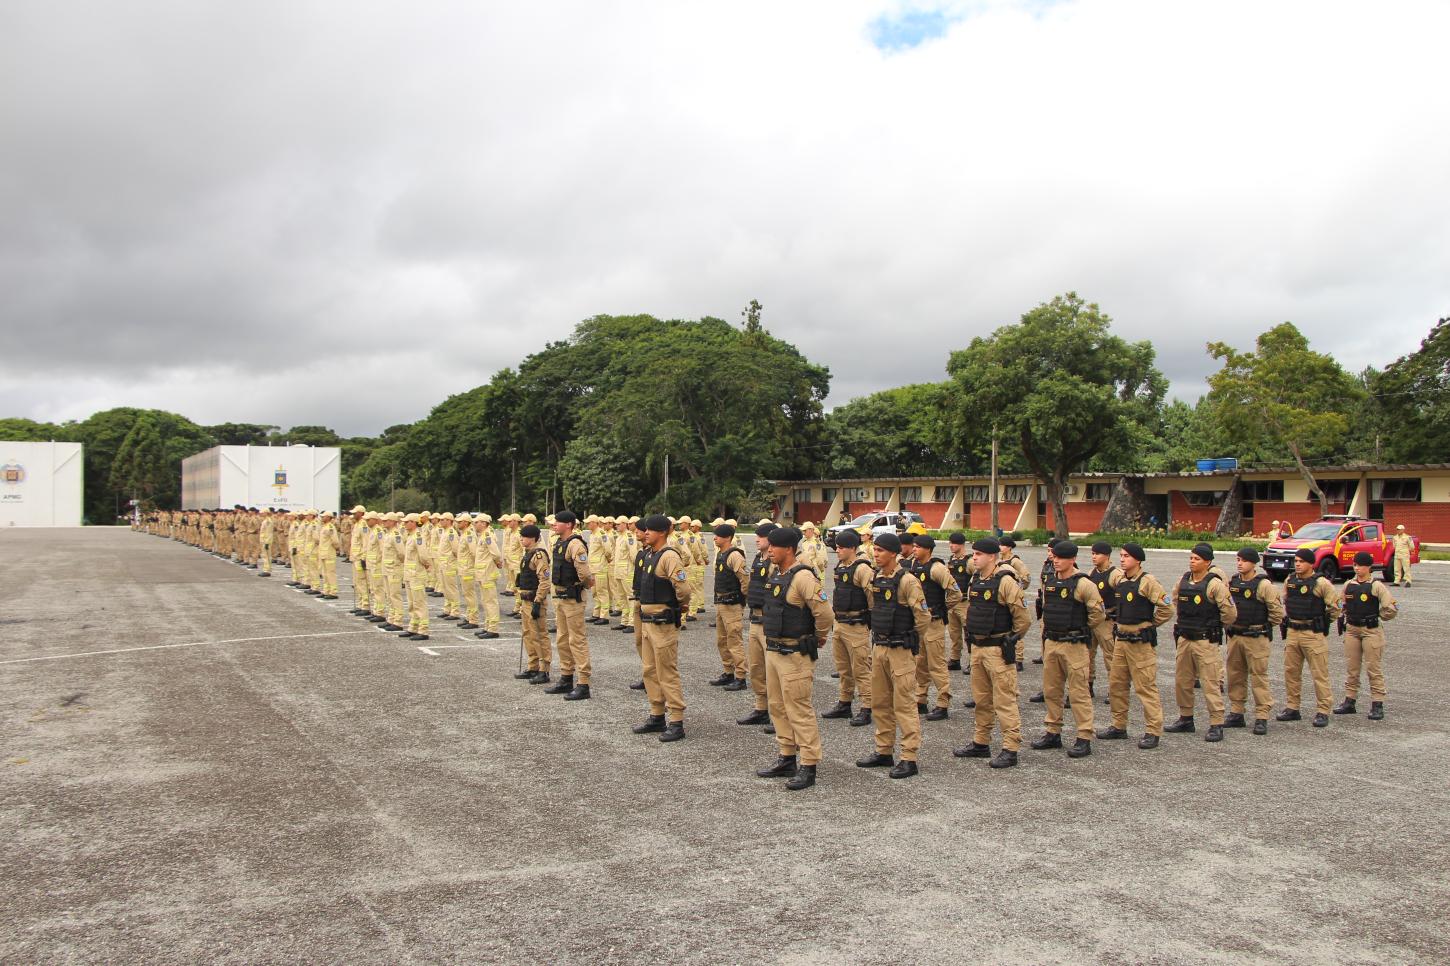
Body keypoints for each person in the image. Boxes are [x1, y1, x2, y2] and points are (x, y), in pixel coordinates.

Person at [755, 527, 834, 791]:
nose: (769, 551)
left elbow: (824, 614)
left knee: (799, 710)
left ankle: (809, 764)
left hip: (795, 655)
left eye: (773, 548)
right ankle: (787, 756)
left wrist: (818, 637)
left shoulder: (803, 577)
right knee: (777, 706)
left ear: (788, 549)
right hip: (775, 651)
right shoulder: (777, 573)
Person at [952, 537, 1032, 768]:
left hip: (997, 650)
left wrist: (1010, 640)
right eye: (974, 553)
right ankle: (981, 742)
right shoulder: (976, 579)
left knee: (1005, 701)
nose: (974, 557)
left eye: (978, 554)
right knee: (982, 700)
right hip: (977, 649)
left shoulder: (1005, 581)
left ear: (992, 557)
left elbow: (1023, 619)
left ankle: (1010, 747)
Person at [856, 531, 928, 778]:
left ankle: (909, 757)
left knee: (904, 704)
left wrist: (909, 639)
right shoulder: (876, 577)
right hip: (880, 647)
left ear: (894, 553)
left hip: (900, 650)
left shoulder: (907, 581)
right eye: (874, 550)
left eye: (880, 551)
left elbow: (923, 618)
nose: (875, 554)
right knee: (880, 702)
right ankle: (884, 750)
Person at [1031, 540, 1107, 758]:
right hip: (1053, 643)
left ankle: (1084, 736)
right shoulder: (1051, 581)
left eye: (1060, 558)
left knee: (1078, 693)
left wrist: (1079, 628)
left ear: (1072, 559)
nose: (1056, 561)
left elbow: (1097, 614)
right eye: (1054, 557)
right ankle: (1053, 732)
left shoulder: (1084, 584)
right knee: (1052, 691)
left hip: (1074, 645)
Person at [1096, 543, 1173, 749]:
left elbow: (1167, 608)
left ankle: (1152, 730)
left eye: (1127, 556)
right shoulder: (1120, 579)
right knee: (1117, 684)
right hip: (1121, 639)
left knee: (1145, 687)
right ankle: (1118, 725)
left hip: (1140, 641)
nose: (1122, 559)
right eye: (1121, 555)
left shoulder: (1147, 581)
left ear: (1138, 560)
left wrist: (1150, 624)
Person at [1165, 543, 1238, 742]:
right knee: (1183, 681)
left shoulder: (1214, 584)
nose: (1192, 561)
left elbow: (1230, 613)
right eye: (1191, 558)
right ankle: (1186, 718)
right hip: (1185, 639)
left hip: (1205, 640)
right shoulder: (1183, 581)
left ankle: (1216, 723)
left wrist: (1213, 625)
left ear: (1207, 562)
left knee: (1210, 682)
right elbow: (1174, 601)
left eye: (1197, 559)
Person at [632, 514, 693, 742]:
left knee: (667, 672)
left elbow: (683, 589)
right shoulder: (650, 554)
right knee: (649, 670)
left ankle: (676, 720)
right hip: (648, 622)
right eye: (645, 529)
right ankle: (657, 714)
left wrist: (680, 607)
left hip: (662, 623)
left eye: (651, 530)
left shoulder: (668, 556)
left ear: (662, 533)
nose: (646, 533)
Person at [1277, 548, 1342, 728]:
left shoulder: (1322, 583)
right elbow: (1285, 601)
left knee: (1319, 673)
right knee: (1291, 672)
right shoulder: (1290, 581)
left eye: (1301, 561)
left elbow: (1336, 607)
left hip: (1312, 634)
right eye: (1296, 561)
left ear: (1311, 563)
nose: (1297, 564)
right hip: (1293, 632)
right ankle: (1292, 707)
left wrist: (1323, 622)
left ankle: (1323, 710)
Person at [1224, 548, 1285, 735]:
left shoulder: (1264, 585)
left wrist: (1262, 627)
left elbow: (1277, 614)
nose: (1239, 563)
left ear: (1253, 563)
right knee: (1235, 675)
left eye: (1243, 560)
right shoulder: (1232, 582)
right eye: (1238, 560)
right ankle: (1236, 712)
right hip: (1236, 636)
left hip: (1256, 637)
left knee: (1259, 677)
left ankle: (1261, 715)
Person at [1334, 551, 1397, 721]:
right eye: (1355, 565)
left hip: (1371, 630)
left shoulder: (1376, 586)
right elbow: (1339, 604)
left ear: (1369, 567)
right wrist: (1339, 614)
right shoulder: (1348, 585)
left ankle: (1377, 703)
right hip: (1353, 629)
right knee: (1352, 668)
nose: (1357, 568)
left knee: (1373, 668)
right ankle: (1350, 700)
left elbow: (1390, 607)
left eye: (1360, 565)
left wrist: (1379, 616)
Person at [822, 529, 874, 726]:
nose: (838, 550)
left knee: (861, 669)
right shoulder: (841, 566)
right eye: (837, 546)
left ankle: (867, 707)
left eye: (842, 547)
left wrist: (870, 622)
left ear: (853, 548)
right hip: (840, 624)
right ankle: (844, 703)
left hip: (856, 626)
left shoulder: (862, 569)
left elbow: (872, 600)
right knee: (844, 669)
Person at [907, 535, 962, 721]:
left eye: (918, 547)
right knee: (920, 663)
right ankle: (920, 699)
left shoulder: (937, 568)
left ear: (928, 549)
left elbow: (955, 593)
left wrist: (942, 608)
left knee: (936, 664)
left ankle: (942, 703)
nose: (914, 550)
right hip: (918, 623)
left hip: (933, 623)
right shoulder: (913, 566)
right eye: (913, 546)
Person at [545, 510, 594, 700]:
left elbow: (584, 573)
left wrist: (585, 584)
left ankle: (583, 683)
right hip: (561, 598)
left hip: (573, 599)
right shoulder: (560, 542)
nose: (555, 525)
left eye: (558, 522)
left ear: (569, 525)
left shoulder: (575, 544)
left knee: (577, 640)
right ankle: (566, 677)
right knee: (562, 639)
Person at [736, 523, 778, 728]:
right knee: (756, 668)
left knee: (773, 670)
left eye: (761, 536)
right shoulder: (757, 559)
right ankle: (761, 708)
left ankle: (777, 714)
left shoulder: (774, 562)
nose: (757, 539)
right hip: (755, 619)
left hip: (769, 621)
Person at [709, 523, 750, 691]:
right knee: (722, 640)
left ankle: (740, 677)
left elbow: (745, 580)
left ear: (727, 538)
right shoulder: (721, 554)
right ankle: (728, 672)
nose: (714, 538)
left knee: (734, 641)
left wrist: (741, 599)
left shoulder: (734, 556)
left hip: (732, 604)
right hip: (721, 603)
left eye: (717, 535)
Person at [516, 524, 553, 683]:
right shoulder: (527, 554)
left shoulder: (539, 555)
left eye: (524, 537)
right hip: (525, 600)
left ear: (532, 538)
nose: (521, 539)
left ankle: (544, 670)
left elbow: (544, 581)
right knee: (528, 634)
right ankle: (533, 666)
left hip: (534, 600)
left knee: (539, 635)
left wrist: (538, 602)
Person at [469, 514, 503, 639]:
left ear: (484, 523)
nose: (474, 524)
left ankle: (493, 629)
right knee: (485, 601)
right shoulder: (483, 535)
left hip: (487, 573)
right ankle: (488, 626)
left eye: (477, 522)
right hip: (483, 573)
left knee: (490, 601)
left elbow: (496, 553)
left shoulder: (488, 535)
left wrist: (498, 562)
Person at [399, 513, 432, 640]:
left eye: (407, 522)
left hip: (417, 574)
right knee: (412, 603)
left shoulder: (418, 536)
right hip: (409, 574)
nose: (405, 524)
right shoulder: (410, 536)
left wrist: (427, 564)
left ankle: (423, 630)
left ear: (413, 522)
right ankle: (413, 627)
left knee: (419, 602)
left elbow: (423, 555)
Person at [945, 532, 973, 672]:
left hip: (965, 603)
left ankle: (973, 661)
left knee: (969, 632)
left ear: (961, 544)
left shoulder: (969, 561)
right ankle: (955, 659)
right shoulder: (951, 560)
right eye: (950, 543)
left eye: (954, 543)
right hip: (952, 602)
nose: (951, 546)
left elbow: (977, 578)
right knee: (954, 633)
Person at [348, 508, 371, 615]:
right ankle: (360, 604)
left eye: (355, 513)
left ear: (361, 513)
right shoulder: (357, 524)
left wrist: (364, 557)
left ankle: (365, 605)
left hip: (360, 557)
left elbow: (366, 543)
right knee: (357, 583)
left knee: (362, 582)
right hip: (355, 557)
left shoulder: (364, 525)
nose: (353, 515)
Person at [316, 510, 341, 599]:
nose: (322, 518)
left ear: (328, 517)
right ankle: (326, 590)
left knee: (330, 573)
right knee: (325, 573)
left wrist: (337, 548)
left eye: (324, 516)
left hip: (329, 553)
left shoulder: (330, 527)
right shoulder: (324, 526)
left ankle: (333, 592)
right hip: (323, 553)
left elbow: (335, 541)